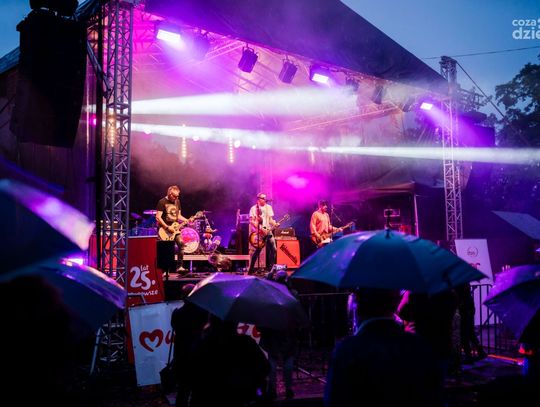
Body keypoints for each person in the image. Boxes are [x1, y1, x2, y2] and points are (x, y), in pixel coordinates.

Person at [324, 287, 444, 407]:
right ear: (395, 303)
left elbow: (335, 400)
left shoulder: (346, 351)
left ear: (358, 305)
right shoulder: (419, 347)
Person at [187, 315, 270, 406]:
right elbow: (265, 368)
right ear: (235, 323)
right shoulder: (245, 343)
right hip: (237, 398)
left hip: (205, 398)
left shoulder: (202, 344)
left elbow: (190, 373)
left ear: (212, 322)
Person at [259, 271, 300, 401]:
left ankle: (272, 389)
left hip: (272, 329)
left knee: (272, 359)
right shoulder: (293, 293)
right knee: (288, 358)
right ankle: (289, 389)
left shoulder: (270, 294)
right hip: (288, 329)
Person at [170, 284, 209, 407]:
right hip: (198, 354)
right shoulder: (204, 313)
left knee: (183, 390)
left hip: (182, 354)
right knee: (198, 391)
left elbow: (175, 327)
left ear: (183, 297)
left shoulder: (177, 313)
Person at [156, 185, 189, 273]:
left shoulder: (177, 201)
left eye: (178, 196)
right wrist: (167, 227)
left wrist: (187, 220)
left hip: (175, 228)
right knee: (166, 250)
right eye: (175, 196)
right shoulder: (162, 202)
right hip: (164, 230)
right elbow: (158, 217)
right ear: (170, 194)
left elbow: (179, 216)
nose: (176, 198)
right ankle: (164, 271)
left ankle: (179, 267)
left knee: (181, 244)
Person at [248, 192, 279, 274]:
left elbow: (270, 220)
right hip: (259, 232)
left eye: (265, 198)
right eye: (263, 198)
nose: (265, 199)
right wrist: (260, 229)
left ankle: (270, 269)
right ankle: (251, 269)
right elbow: (251, 221)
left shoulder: (269, 207)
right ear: (258, 199)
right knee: (258, 251)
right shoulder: (253, 208)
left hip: (268, 231)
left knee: (274, 249)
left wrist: (275, 224)